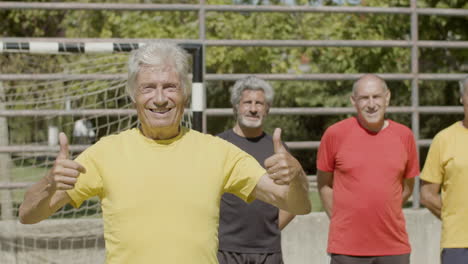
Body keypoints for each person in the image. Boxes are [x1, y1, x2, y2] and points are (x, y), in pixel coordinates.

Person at [18, 41, 311, 264]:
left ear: (185, 93)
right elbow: (28, 215)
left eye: (170, 87)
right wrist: (49, 182)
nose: (160, 99)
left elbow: (297, 205)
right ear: (134, 95)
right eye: (148, 88)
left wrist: (296, 175)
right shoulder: (105, 153)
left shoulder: (218, 151)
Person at [316, 74, 419, 264]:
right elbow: (323, 185)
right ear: (353, 101)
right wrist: (342, 220)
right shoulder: (335, 134)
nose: (371, 104)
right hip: (347, 249)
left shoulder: (405, 136)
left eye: (376, 97)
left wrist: (385, 209)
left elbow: (408, 186)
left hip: (393, 247)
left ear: (387, 97)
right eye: (364, 98)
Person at [217, 76, 295, 264]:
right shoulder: (218, 145)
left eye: (259, 103)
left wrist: (269, 230)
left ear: (267, 109)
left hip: (267, 252)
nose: (253, 108)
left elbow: (293, 200)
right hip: (224, 250)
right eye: (247, 102)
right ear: (236, 106)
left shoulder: (278, 148)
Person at [420, 77, 468, 264]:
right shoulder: (444, 139)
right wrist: (454, 218)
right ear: (461, 98)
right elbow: (427, 194)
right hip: (458, 246)